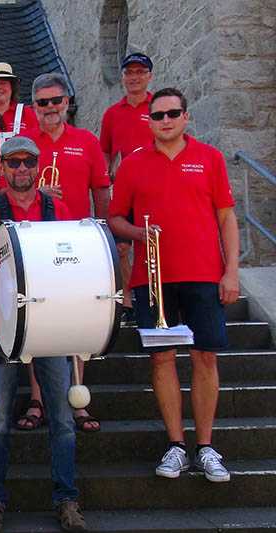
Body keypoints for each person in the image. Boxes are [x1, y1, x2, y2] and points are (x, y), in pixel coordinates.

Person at [109, 87, 239, 483]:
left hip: (202, 275)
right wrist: (141, 231)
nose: (165, 120)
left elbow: (226, 219)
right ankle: (176, 446)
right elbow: (115, 219)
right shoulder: (132, 165)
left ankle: (205, 446)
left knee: (205, 359)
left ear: (186, 117)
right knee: (162, 360)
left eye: (172, 113)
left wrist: (231, 270)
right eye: (158, 115)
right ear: (148, 121)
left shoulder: (210, 158)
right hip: (152, 280)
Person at [0, 137, 85, 533]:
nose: (21, 169)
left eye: (28, 162)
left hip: (50, 329)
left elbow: (71, 267)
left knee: (63, 420)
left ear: (38, 165)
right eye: (13, 162)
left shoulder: (58, 209)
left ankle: (67, 500)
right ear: (2, 166)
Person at [19, 72, 110, 433]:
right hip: (37, 242)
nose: (51, 108)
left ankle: (77, 396)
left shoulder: (86, 141)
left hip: (79, 241)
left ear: (67, 102)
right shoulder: (24, 143)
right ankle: (38, 398)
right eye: (43, 102)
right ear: (34, 107)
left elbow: (102, 190)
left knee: (79, 318)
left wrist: (105, 233)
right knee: (38, 320)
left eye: (56, 101)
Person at [100, 52, 155, 324]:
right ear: (122, 77)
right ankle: (130, 299)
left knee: (153, 243)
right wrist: (106, 176)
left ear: (149, 76)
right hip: (123, 191)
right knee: (120, 248)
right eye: (129, 73)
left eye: (140, 72)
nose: (134, 77)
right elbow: (106, 153)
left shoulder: (158, 107)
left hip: (155, 190)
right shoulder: (112, 114)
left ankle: (155, 295)